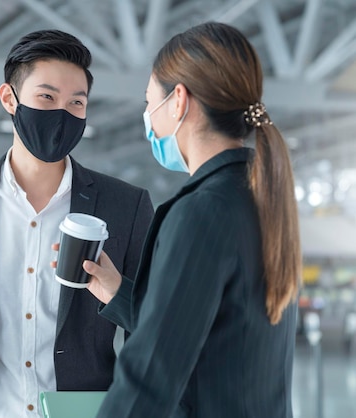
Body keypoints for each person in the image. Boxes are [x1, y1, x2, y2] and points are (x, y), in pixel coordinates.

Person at [0, 29, 154, 418]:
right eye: (46, 97)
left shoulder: (126, 206)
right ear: (9, 98)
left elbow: (155, 329)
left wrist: (117, 294)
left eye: (77, 103)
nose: (62, 113)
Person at [81, 22, 302, 417]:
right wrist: (119, 295)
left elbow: (150, 376)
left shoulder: (202, 211)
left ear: (178, 101)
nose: (148, 117)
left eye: (150, 102)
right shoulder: (259, 199)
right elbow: (211, 333)